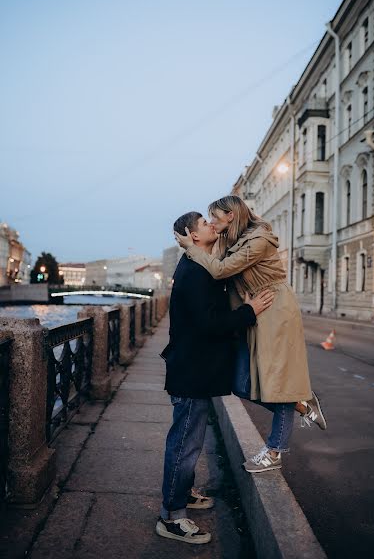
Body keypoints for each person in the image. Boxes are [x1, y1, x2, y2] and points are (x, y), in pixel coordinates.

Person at [175, 195, 327, 475]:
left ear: (230, 216)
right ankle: (301, 403)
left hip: (273, 309)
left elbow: (220, 271)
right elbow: (211, 269)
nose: (214, 224)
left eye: (215, 218)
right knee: (242, 384)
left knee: (277, 384)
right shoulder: (229, 240)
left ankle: (274, 451)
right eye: (208, 221)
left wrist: (190, 248)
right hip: (250, 312)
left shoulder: (260, 239)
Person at [157, 211, 274, 544]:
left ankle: (182, 494)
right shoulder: (194, 272)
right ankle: (171, 516)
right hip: (192, 371)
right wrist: (249, 311)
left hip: (195, 369)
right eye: (205, 224)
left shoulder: (200, 267)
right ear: (194, 236)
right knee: (184, 443)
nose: (212, 225)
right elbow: (209, 323)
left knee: (188, 440)